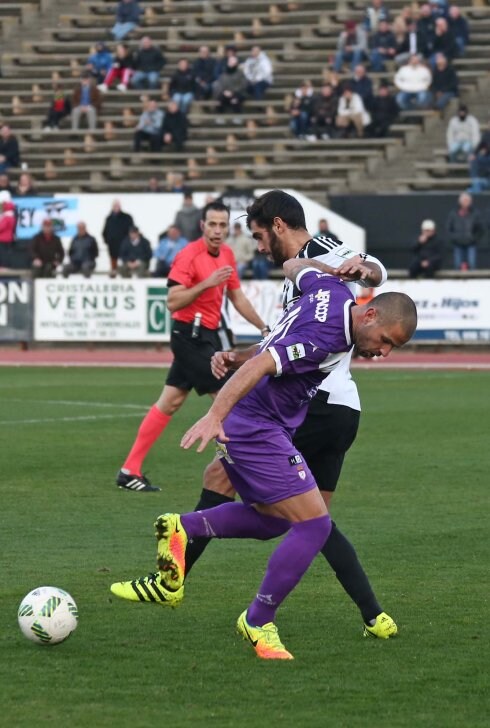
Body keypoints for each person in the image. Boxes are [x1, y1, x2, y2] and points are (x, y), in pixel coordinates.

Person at [113, 190, 403, 644]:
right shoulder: (316, 280)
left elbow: (373, 271)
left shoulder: (324, 256)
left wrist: (364, 269)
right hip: (311, 406)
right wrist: (240, 356)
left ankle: (178, 569)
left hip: (308, 404)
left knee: (298, 517)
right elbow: (278, 337)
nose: (259, 247)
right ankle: (365, 615)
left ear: (280, 226)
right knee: (305, 518)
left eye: (259, 236)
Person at [115, 200, 269, 492]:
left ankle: (129, 470)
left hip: (207, 337)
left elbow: (237, 298)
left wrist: (263, 327)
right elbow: (172, 301)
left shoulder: (227, 254)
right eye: (212, 224)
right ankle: (252, 472)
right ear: (202, 226)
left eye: (222, 224)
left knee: (170, 402)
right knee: (229, 398)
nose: (217, 230)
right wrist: (207, 283)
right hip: (189, 337)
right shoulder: (188, 255)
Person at [446, 192, 484, 271]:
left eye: (467, 200)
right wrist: (455, 238)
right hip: (458, 244)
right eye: (464, 200)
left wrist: (473, 239)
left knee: (472, 265)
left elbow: (480, 229)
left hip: (471, 244)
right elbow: (449, 228)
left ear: (470, 202)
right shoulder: (453, 213)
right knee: (457, 266)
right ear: (460, 201)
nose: (465, 202)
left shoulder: (475, 213)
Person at [102, 199, 134, 275]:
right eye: (115, 206)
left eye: (118, 206)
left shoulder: (127, 217)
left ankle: (126, 275)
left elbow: (131, 230)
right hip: (112, 245)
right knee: (113, 263)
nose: (116, 207)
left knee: (126, 261)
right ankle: (113, 274)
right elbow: (105, 231)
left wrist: (127, 241)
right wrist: (107, 240)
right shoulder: (109, 218)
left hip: (124, 244)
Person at [0, 194, 16, 268]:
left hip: (3, 239)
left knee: (3, 254)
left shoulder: (7, 217)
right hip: (7, 238)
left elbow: (1, 227)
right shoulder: (10, 216)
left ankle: (4, 266)